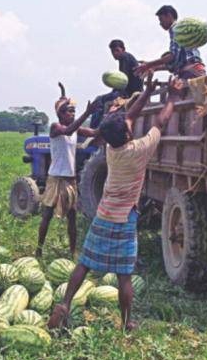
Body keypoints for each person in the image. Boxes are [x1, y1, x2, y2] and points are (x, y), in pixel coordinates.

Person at [48, 75, 182, 332]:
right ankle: (127, 321)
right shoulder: (140, 149)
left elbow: (129, 117)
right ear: (128, 133)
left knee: (84, 264)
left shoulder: (111, 149)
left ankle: (64, 304)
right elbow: (161, 122)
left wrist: (147, 93)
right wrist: (173, 97)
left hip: (103, 215)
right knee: (124, 275)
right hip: (124, 219)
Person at [36, 84, 97, 259]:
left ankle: (72, 252)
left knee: (72, 218)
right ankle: (39, 250)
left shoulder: (76, 128)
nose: (73, 114)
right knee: (46, 216)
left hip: (70, 180)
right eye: (69, 111)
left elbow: (93, 132)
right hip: (56, 179)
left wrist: (111, 121)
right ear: (61, 114)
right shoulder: (56, 128)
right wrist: (87, 113)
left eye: (74, 111)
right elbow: (68, 130)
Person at [134, 5, 207, 80]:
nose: (160, 23)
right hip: (198, 69)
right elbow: (176, 62)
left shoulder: (175, 29)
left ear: (169, 16)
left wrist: (149, 64)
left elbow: (172, 56)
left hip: (189, 71)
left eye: (161, 19)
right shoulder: (184, 29)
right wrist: (153, 67)